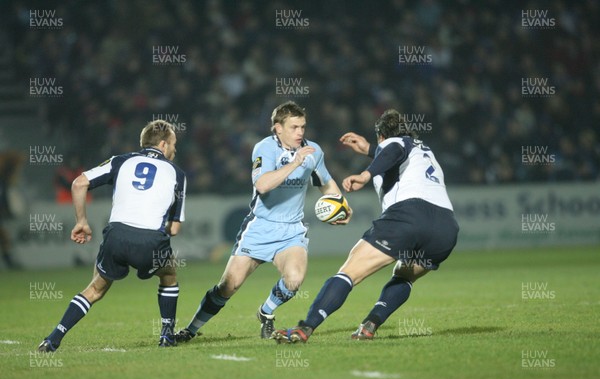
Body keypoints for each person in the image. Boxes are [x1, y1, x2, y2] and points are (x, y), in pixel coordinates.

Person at [273, 109, 459, 343]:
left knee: (347, 274)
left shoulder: (394, 143)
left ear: (381, 135)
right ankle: (370, 325)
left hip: (408, 216)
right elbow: (395, 155)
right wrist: (370, 150)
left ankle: (305, 328)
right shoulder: (423, 150)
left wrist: (365, 174)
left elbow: (393, 149)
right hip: (445, 228)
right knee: (403, 277)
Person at [176, 101, 350, 342]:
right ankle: (190, 329)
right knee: (229, 285)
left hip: (291, 230)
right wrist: (295, 163)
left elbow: (326, 182)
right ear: (278, 128)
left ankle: (266, 312)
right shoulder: (264, 148)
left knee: (294, 280)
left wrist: (341, 204)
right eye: (294, 127)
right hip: (259, 227)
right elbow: (263, 185)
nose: (300, 132)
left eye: (303, 127)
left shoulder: (313, 151)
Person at [37, 120, 187, 351]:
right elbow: (175, 229)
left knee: (96, 288)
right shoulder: (177, 174)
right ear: (164, 144)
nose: (175, 150)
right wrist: (152, 228)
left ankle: (53, 338)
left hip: (116, 236)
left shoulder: (121, 161)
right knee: (169, 274)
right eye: (174, 144)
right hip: (151, 242)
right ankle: (167, 335)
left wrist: (82, 222)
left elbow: (78, 184)